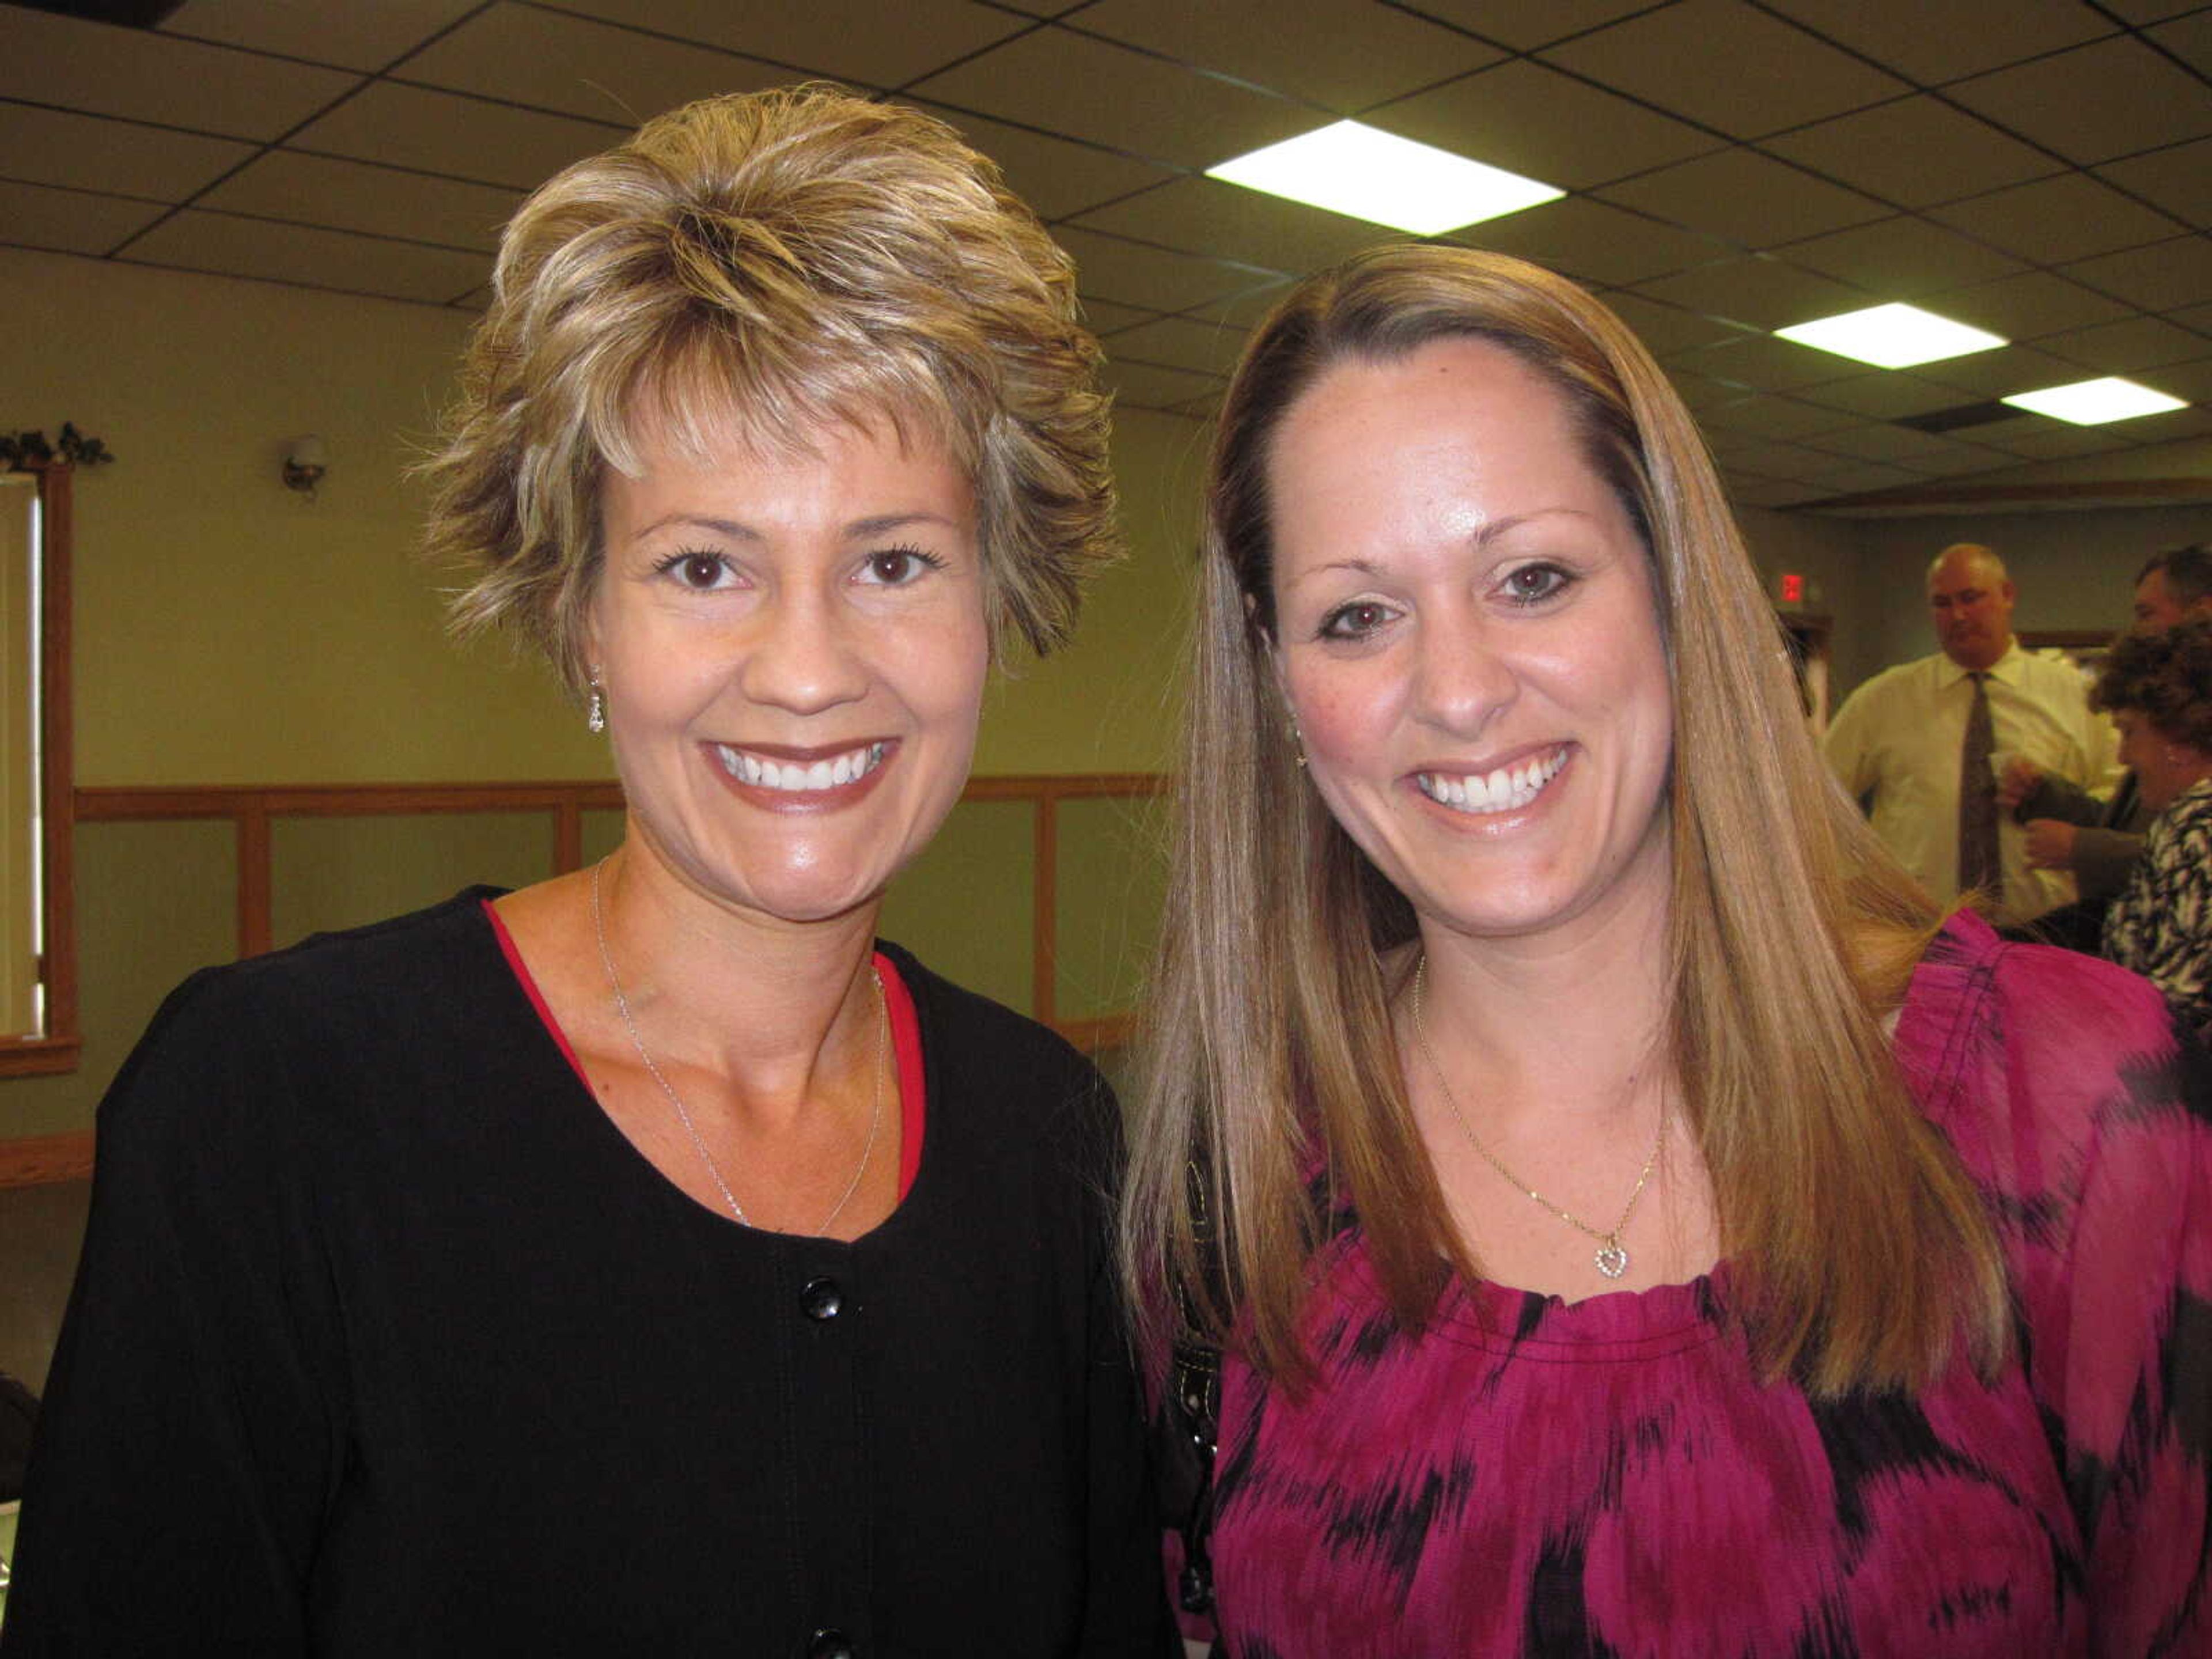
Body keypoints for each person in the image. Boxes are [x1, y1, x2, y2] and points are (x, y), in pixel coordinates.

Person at [5, 88, 1171, 1657]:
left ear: (996, 605)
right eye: (705, 566)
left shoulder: (1048, 1137)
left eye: (893, 561)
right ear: (580, 623)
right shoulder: (278, 1109)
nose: (809, 671)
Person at [1119, 244, 2211, 1655]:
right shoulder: (1237, 1186)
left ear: (1671, 592)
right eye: (1357, 615)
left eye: (1529, 576)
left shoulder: (2070, 1107)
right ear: (1277, 676)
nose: (1455, 690)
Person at [1821, 543, 2116, 927]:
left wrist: (2070, 824)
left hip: (2046, 929)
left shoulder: (2077, 696)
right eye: (1942, 604)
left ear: (2007, 595)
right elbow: (1818, 797)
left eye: (1971, 598)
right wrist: (1850, 882)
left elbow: (2120, 803)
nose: (1958, 615)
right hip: (1919, 929)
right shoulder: (1884, 700)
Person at [2001, 544, 2212, 950]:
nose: (2136, 631)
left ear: (2203, 612)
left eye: (2146, 614)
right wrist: (2050, 797)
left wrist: (2084, 848)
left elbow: (2182, 856)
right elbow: (2133, 826)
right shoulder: (2163, 721)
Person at [2092, 618, 2212, 1038]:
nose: (2123, 756)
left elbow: (2171, 1009)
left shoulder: (2192, 829)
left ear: (2177, 738)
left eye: (2129, 732)